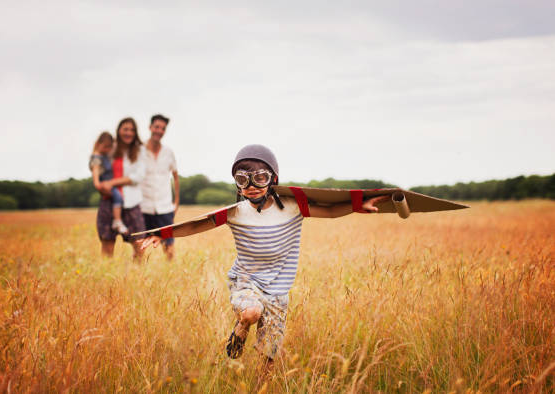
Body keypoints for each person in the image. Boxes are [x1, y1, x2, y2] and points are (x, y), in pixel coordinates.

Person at [138, 144, 389, 380]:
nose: (251, 186)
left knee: (269, 354)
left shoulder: (294, 206)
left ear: (273, 179)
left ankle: (261, 386)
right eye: (242, 180)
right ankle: (241, 327)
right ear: (237, 184)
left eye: (259, 178)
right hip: (246, 281)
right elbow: (197, 224)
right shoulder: (236, 212)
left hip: (278, 289)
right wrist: (163, 233)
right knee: (251, 312)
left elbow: (331, 211)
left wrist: (358, 205)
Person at [96, 117, 148, 259]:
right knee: (107, 243)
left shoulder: (140, 150)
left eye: (132, 130)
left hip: (132, 202)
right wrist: (100, 184)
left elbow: (138, 176)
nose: (128, 133)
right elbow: (98, 166)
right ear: (118, 131)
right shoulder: (110, 149)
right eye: (125, 129)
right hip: (109, 200)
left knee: (139, 244)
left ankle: (137, 277)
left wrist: (112, 183)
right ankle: (107, 278)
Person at [140, 114, 180, 260]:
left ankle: (171, 276)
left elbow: (175, 177)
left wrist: (176, 203)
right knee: (140, 246)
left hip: (164, 207)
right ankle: (135, 277)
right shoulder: (139, 151)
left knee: (169, 246)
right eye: (157, 127)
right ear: (150, 127)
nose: (159, 131)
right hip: (143, 206)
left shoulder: (168, 153)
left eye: (163, 128)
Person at [89, 131, 129, 234]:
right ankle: (117, 221)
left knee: (118, 198)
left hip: (109, 183)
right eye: (105, 147)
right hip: (105, 184)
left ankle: (117, 220)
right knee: (118, 198)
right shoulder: (96, 158)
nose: (107, 150)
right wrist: (98, 184)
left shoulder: (104, 155)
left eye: (109, 147)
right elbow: (96, 171)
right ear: (98, 144)